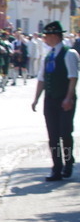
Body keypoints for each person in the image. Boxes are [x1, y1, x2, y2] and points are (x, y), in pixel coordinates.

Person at [31, 20, 78, 181]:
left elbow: (73, 77)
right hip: (50, 99)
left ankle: (68, 161)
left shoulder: (69, 53)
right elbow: (42, 79)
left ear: (55, 36)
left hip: (64, 99)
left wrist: (68, 98)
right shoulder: (48, 55)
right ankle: (56, 167)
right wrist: (36, 99)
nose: (45, 39)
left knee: (65, 133)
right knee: (53, 135)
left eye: (47, 36)